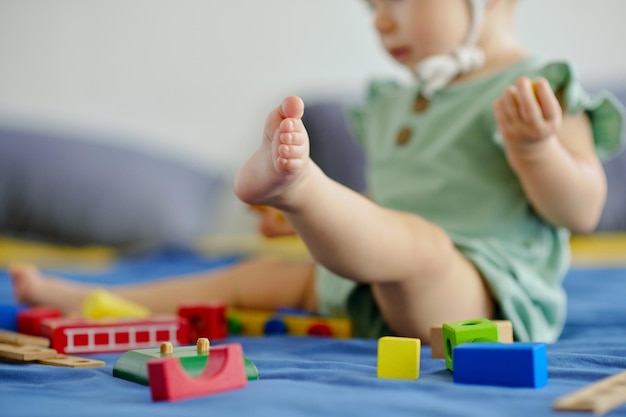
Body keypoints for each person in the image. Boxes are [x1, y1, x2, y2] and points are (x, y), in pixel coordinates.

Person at [9, 0, 624, 343]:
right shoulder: (397, 100)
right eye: (372, 7)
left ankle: (302, 184)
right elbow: (389, 205)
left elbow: (582, 211)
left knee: (425, 248)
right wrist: (322, 227)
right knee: (257, 275)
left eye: (398, 0)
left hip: (484, 303)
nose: (382, 20)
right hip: (377, 287)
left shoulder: (536, 90)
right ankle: (97, 302)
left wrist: (537, 149)